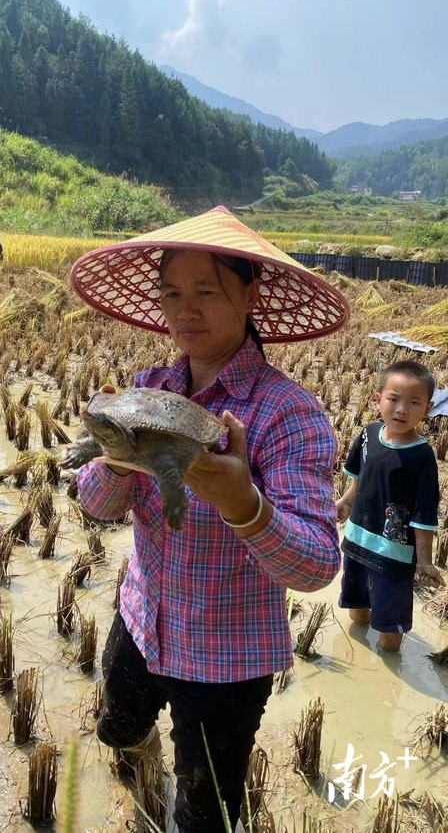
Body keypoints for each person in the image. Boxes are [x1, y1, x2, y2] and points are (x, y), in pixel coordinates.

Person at [67, 206, 350, 833]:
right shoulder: (147, 386)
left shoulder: (287, 414)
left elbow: (316, 566)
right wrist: (116, 457)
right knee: (119, 728)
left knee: (204, 810)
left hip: (226, 659)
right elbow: (94, 505)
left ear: (250, 296)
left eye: (205, 292)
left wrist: (243, 506)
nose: (184, 310)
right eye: (171, 293)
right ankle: (136, 793)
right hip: (142, 621)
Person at [336, 360, 444, 654]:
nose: (401, 409)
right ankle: (357, 659)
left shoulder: (421, 458)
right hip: (357, 541)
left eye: (413, 403)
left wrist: (424, 561)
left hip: (394, 556)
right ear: (377, 400)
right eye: (393, 399)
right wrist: (345, 502)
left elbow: (424, 516)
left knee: (390, 631)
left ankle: (386, 663)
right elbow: (359, 478)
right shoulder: (368, 435)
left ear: (428, 408)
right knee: (357, 610)